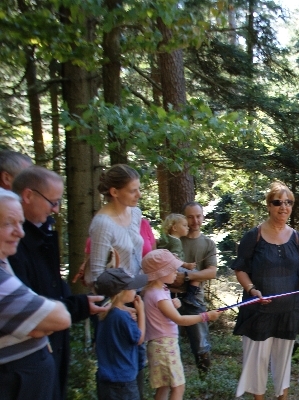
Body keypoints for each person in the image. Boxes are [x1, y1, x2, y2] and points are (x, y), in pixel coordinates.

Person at [8, 166, 107, 400]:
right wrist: (74, 307)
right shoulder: (14, 246)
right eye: (52, 202)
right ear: (28, 195)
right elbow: (31, 315)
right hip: (21, 368)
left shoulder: (44, 231)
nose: (56, 209)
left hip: (46, 355)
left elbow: (48, 289)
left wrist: (76, 304)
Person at [232, 182, 299, 400]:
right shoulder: (254, 236)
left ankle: (283, 397)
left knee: (283, 361)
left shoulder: (296, 237)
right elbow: (240, 269)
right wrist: (251, 289)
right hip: (259, 311)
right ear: (269, 205)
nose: (284, 207)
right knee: (257, 361)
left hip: (288, 311)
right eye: (278, 202)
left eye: (288, 202)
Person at [0, 188, 72, 400]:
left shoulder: (4, 263)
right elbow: (60, 318)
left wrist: (35, 321)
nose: (20, 232)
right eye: (8, 223)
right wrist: (38, 321)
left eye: (20, 223)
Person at [142, 249, 222, 400]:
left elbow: (161, 312)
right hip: (165, 347)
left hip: (158, 345)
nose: (177, 272)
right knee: (178, 387)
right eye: (172, 269)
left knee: (164, 386)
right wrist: (205, 316)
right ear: (160, 272)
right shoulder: (159, 296)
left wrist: (173, 304)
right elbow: (180, 320)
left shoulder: (155, 291)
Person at [94, 269, 148, 400]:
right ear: (121, 292)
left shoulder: (105, 312)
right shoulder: (122, 317)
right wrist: (141, 312)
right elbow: (139, 339)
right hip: (123, 381)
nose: (135, 290)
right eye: (132, 288)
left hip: (106, 380)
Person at [178, 202, 219, 374]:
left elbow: (211, 272)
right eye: (190, 217)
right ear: (184, 218)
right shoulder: (174, 239)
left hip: (194, 298)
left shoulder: (208, 243)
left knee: (202, 345)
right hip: (168, 297)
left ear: (203, 217)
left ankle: (205, 379)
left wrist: (187, 276)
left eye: (198, 216)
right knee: (168, 344)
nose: (195, 221)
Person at [89, 164, 145, 281]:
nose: (139, 195)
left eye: (139, 189)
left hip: (137, 286)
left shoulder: (135, 212)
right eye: (132, 191)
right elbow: (97, 274)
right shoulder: (103, 223)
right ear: (114, 192)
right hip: (116, 290)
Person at [157, 213, 201, 308]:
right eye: (184, 225)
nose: (188, 228)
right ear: (175, 228)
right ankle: (190, 296)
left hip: (162, 267)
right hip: (174, 268)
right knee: (197, 275)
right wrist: (186, 265)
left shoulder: (165, 239)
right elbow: (173, 258)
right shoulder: (176, 242)